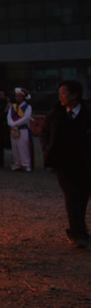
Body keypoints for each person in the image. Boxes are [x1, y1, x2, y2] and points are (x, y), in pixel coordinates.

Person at [43, 80, 91, 249]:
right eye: (60, 94)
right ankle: (79, 233)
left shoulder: (87, 113)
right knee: (71, 197)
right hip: (63, 164)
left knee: (83, 196)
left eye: (64, 93)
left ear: (75, 95)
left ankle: (78, 229)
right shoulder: (55, 114)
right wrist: (48, 151)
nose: (61, 97)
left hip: (85, 163)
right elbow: (45, 133)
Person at [7, 87, 34, 172]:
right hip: (14, 129)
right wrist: (12, 124)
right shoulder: (13, 106)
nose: (18, 98)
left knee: (23, 146)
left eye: (19, 96)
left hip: (23, 129)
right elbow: (9, 117)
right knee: (15, 147)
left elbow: (26, 118)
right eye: (16, 96)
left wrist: (16, 124)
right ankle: (17, 163)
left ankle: (26, 164)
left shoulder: (27, 106)